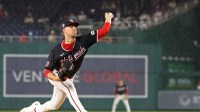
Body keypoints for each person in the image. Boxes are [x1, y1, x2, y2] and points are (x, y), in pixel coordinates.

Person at [20, 12, 114, 112]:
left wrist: (108, 18)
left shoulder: (84, 41)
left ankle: (33, 109)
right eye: (71, 26)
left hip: (68, 76)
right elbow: (46, 71)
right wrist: (56, 78)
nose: (74, 28)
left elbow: (104, 31)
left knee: (54, 105)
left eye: (75, 26)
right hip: (56, 74)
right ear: (64, 30)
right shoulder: (56, 51)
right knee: (70, 88)